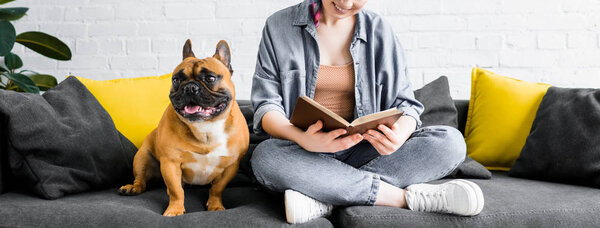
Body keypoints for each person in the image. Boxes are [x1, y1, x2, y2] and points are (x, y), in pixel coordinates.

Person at [250, 0, 484, 224]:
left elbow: (407, 106)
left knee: (451, 142)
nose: (346, 2)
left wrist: (399, 135)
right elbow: (266, 106)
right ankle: (403, 199)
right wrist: (303, 138)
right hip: (303, 151)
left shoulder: (379, 30)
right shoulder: (278, 25)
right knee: (265, 157)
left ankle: (323, 196)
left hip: (365, 149)